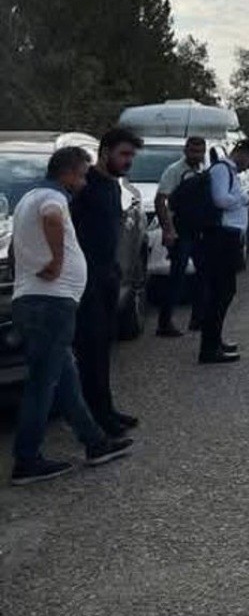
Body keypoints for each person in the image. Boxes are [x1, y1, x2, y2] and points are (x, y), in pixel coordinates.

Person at [9, 147, 134, 485]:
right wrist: (56, 261)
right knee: (42, 384)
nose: (84, 182)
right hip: (50, 304)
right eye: (81, 175)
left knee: (66, 379)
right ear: (67, 173)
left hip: (37, 301)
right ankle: (26, 459)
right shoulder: (53, 198)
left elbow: (15, 247)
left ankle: (95, 443)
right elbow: (52, 218)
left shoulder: (28, 199)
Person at [71, 127, 143, 436]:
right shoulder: (84, 187)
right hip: (86, 281)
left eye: (131, 156)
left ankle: (106, 409)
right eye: (123, 154)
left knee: (103, 349)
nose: (128, 161)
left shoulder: (113, 186)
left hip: (108, 278)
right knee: (90, 352)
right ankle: (97, 417)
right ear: (104, 153)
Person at [200, 139, 249, 364]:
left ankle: (216, 340)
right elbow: (221, 200)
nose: (248, 165)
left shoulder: (229, 171)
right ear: (241, 152)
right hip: (221, 237)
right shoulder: (221, 170)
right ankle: (209, 347)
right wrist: (244, 198)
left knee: (224, 292)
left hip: (229, 237)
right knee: (220, 293)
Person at [154, 135, 208, 337]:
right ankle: (164, 322)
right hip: (181, 229)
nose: (196, 155)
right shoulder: (175, 170)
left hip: (199, 229)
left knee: (203, 274)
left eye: (200, 151)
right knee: (177, 276)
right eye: (193, 151)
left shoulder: (203, 170)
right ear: (185, 151)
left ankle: (198, 318)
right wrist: (168, 229)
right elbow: (161, 200)